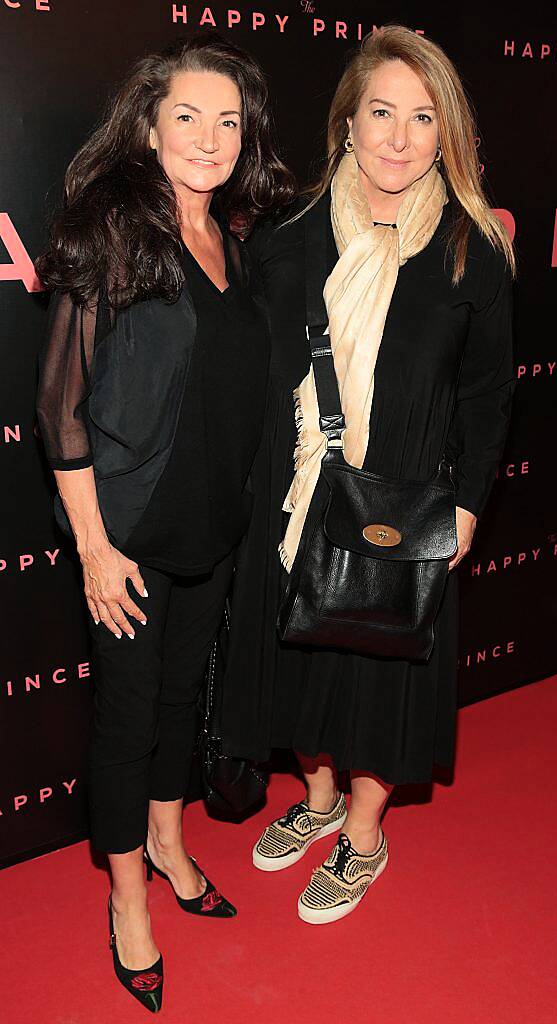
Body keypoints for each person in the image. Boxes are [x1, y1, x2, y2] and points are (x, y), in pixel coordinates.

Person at [221, 25, 515, 926]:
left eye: (421, 117)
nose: (397, 136)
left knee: (383, 677)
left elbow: (487, 395)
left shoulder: (471, 250)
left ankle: (361, 835)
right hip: (305, 492)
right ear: (346, 123)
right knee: (305, 667)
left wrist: (465, 508)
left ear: (445, 134)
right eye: (379, 112)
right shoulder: (290, 239)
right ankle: (313, 803)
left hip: (407, 500)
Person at [36, 33, 294, 1011]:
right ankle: (129, 900)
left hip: (212, 527)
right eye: (187, 114)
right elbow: (59, 402)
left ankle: (172, 840)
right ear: (149, 122)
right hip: (132, 535)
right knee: (127, 721)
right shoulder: (113, 226)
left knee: (183, 702)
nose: (209, 136)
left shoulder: (230, 238)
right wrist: (95, 547)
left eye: (228, 121)